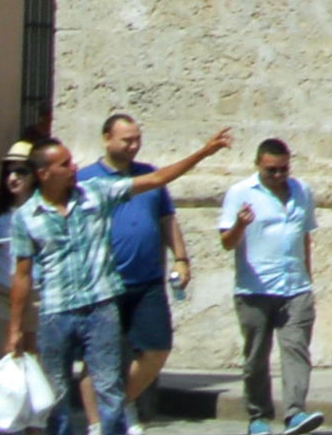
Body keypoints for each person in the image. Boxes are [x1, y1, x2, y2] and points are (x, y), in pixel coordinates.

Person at [82, 115, 226, 435]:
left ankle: (118, 407)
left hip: (147, 281)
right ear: (106, 138)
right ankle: (96, 425)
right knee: (98, 358)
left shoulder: (150, 176)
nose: (134, 146)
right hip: (102, 283)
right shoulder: (86, 180)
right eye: (126, 140)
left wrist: (181, 258)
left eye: (137, 139)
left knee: (158, 348)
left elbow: (167, 219)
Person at [1, 142, 125, 435]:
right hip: (56, 312)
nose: (74, 167)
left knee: (108, 385)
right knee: (54, 390)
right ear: (44, 173)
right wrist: (15, 329)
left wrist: (203, 153)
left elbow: (154, 181)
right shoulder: (26, 216)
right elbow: (22, 275)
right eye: (65, 163)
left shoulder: (94, 192)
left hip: (100, 304)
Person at [222, 140, 322, 435]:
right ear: (258, 165)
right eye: (271, 171)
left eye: (283, 169)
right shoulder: (240, 193)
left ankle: (295, 414)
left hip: (295, 286)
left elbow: (304, 235)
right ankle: (258, 417)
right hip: (255, 289)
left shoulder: (302, 191)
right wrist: (240, 225)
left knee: (296, 351)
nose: (278, 176)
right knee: (256, 357)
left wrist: (307, 275)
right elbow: (226, 243)